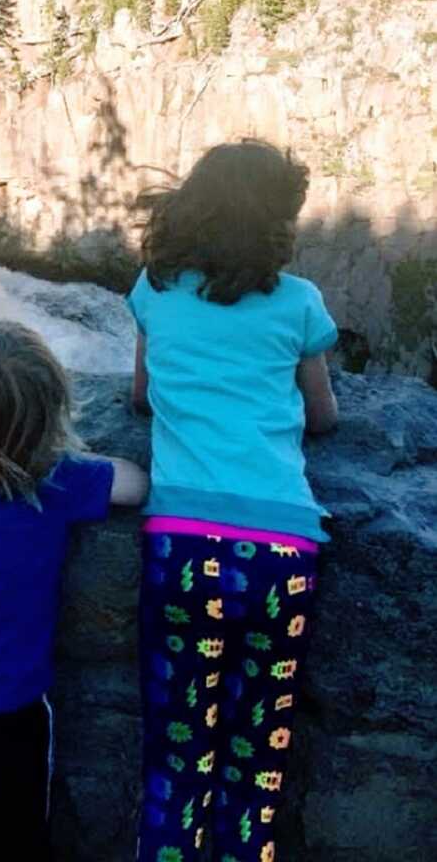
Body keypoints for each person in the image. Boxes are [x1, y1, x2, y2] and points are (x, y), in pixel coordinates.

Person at [128, 140, 339, 862]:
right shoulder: (300, 302)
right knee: (257, 767)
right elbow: (323, 416)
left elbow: (138, 395)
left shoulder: (153, 291)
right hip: (283, 553)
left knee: (177, 766)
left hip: (184, 547)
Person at [0, 320, 148, 862]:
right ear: (52, 410)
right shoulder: (62, 481)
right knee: (14, 841)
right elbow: (136, 483)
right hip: (15, 712)